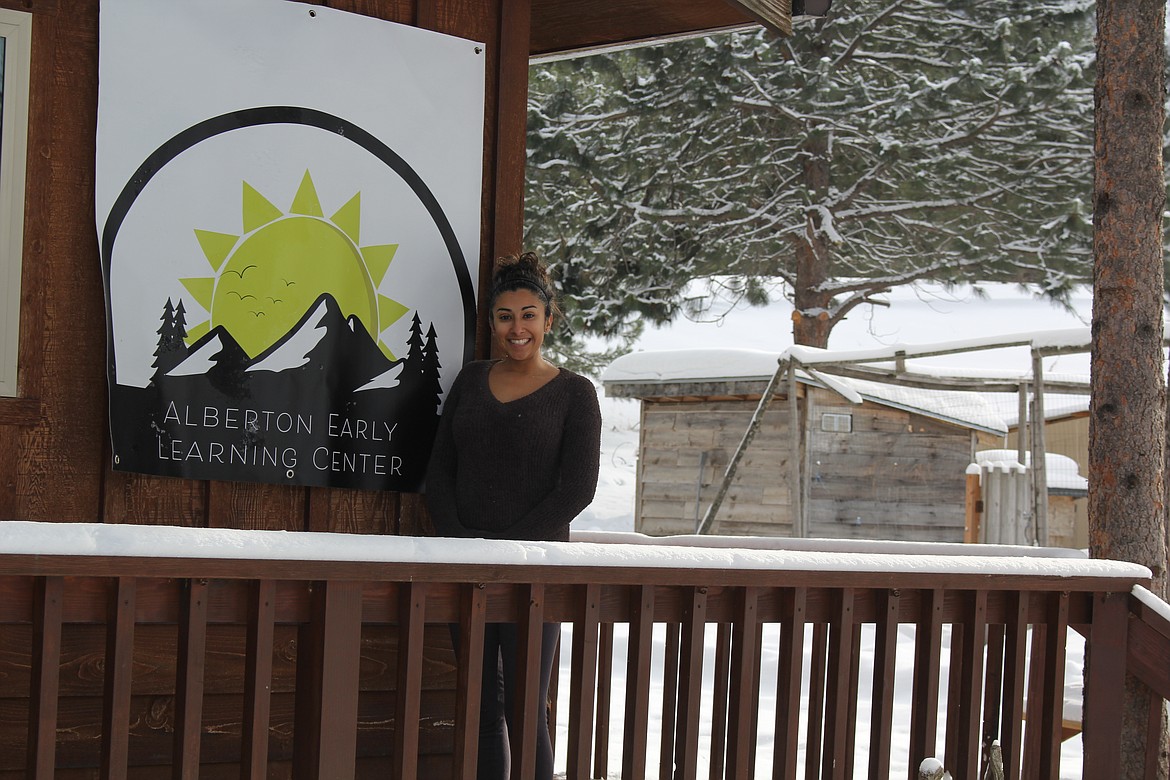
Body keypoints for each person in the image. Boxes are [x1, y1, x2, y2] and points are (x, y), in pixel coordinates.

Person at [425, 251, 601, 780]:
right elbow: (439, 476)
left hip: (534, 573)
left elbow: (577, 489)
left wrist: (509, 549)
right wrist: (463, 545)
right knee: (478, 708)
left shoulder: (575, 393)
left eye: (529, 314)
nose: (517, 327)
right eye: (505, 316)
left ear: (549, 319)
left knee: (527, 711)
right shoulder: (469, 382)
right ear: (493, 323)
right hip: (466, 569)